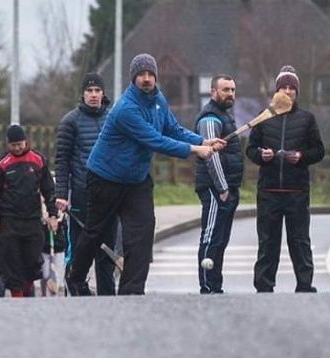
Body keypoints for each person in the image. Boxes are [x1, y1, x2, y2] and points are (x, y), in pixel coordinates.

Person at [65, 53, 225, 296]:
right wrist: (196, 150)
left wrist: (203, 139)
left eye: (151, 74)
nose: (147, 79)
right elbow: (155, 140)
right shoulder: (125, 109)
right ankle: (76, 278)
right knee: (95, 231)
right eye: (142, 75)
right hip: (105, 177)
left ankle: (131, 290)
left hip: (136, 179)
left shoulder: (159, 99)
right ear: (134, 78)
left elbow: (172, 128)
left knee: (143, 229)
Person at [246, 65, 325, 293]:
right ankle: (264, 285)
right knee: (267, 242)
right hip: (269, 192)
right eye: (284, 87)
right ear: (276, 92)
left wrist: (301, 157)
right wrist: (262, 155)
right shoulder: (264, 117)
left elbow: (318, 151)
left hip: (296, 191)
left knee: (299, 241)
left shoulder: (307, 119)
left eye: (292, 88)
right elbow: (250, 149)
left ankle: (304, 284)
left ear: (297, 93)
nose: (288, 92)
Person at [54, 72, 119, 296]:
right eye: (89, 91)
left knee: (107, 251)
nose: (93, 95)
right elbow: (61, 160)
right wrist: (61, 194)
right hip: (82, 193)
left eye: (97, 91)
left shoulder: (113, 119)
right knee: (81, 249)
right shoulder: (70, 121)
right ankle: (75, 292)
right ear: (83, 94)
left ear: (103, 93)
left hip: (110, 194)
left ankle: (107, 298)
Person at [0, 124, 59, 297]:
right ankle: (17, 298)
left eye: (20, 144)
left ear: (26, 142)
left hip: (33, 219)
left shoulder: (38, 160)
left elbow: (49, 190)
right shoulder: (1, 163)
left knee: (33, 261)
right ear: (8, 144)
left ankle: (29, 294)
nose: (18, 148)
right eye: (14, 145)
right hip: (9, 220)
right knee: (12, 262)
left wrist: (53, 215)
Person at [194, 74, 244, 294]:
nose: (230, 94)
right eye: (225, 90)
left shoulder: (225, 116)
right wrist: (222, 187)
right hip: (216, 188)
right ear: (213, 92)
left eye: (232, 90)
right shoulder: (210, 118)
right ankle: (207, 285)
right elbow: (210, 155)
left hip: (229, 187)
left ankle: (216, 285)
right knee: (211, 236)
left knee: (221, 239)